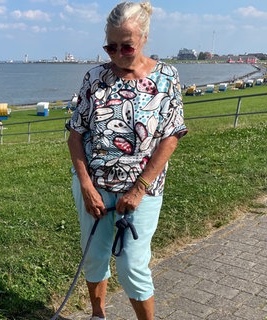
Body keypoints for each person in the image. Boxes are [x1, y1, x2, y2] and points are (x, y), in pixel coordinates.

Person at [66, 2, 188, 320]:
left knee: (132, 264)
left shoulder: (166, 77)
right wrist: (85, 185)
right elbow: (75, 135)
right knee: (93, 256)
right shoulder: (95, 77)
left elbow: (170, 137)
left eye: (126, 46)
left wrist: (138, 190)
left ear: (144, 39)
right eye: (111, 47)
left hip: (142, 190)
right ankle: (97, 314)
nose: (118, 53)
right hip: (93, 186)